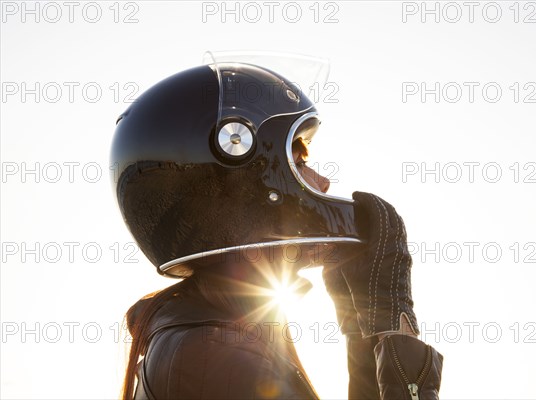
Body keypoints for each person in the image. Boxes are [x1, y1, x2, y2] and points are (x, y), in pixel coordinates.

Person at [110, 56, 444, 399]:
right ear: (245, 193)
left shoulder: (215, 336)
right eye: (299, 165)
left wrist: (363, 331)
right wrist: (395, 319)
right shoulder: (219, 358)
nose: (323, 182)